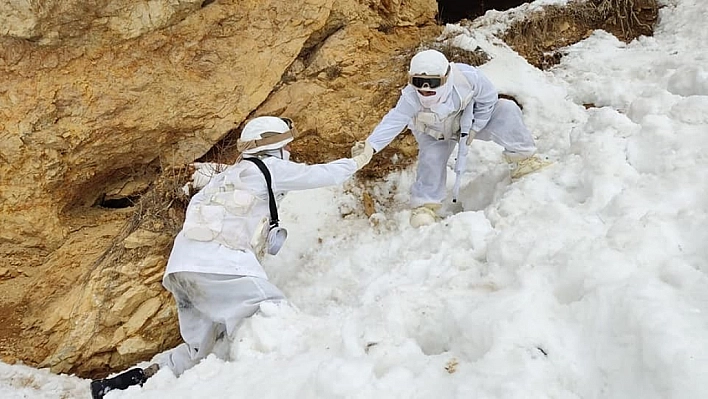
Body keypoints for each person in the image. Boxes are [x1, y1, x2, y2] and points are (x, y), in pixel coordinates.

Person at [90, 116, 373, 398]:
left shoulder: (227, 177)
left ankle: (122, 386)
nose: (289, 152)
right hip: (219, 266)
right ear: (272, 148)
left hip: (182, 269)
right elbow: (321, 175)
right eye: (286, 146)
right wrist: (357, 161)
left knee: (198, 351)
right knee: (273, 314)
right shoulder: (270, 168)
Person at [351, 49, 551, 228]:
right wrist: (370, 147)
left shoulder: (468, 77)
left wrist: (476, 126)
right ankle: (425, 206)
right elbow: (393, 122)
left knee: (506, 110)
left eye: (433, 83)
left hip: (468, 121)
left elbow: (488, 97)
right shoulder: (410, 97)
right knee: (431, 159)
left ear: (446, 77)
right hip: (434, 133)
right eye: (419, 82)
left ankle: (523, 160)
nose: (426, 89)